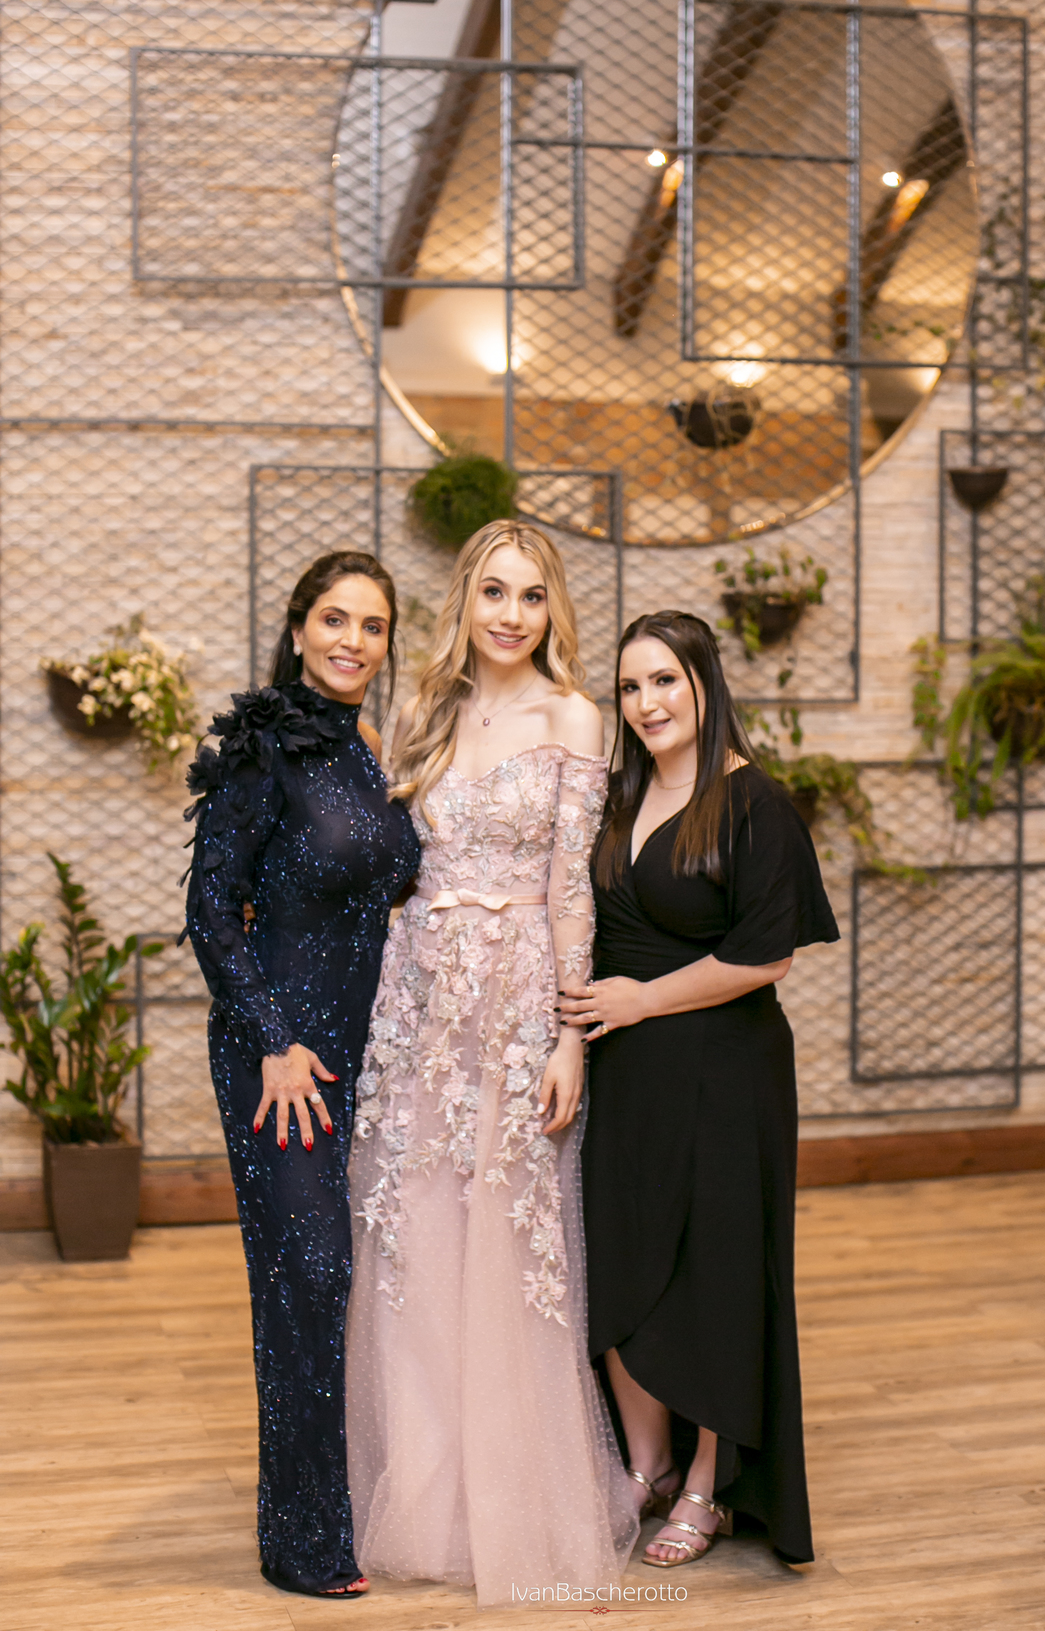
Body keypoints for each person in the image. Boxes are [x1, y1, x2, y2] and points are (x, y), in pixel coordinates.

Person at [346, 520, 638, 1605]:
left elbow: (572, 890)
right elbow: (389, 865)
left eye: (531, 596)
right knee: (412, 1238)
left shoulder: (574, 716)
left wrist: (568, 1036)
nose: (511, 616)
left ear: (553, 609)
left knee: (511, 1247)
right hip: (418, 999)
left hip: (515, 1007)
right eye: (494, 593)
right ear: (464, 601)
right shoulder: (421, 709)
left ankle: (513, 1507)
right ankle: (420, 1497)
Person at [563, 610, 838, 1570]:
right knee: (618, 1263)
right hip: (625, 1075)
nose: (646, 704)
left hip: (726, 1071)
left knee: (716, 1275)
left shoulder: (754, 803)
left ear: (704, 684)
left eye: (664, 681)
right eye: (630, 686)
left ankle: (708, 1487)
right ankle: (647, 1465)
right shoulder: (616, 795)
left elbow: (766, 958)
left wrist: (641, 1000)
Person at [184, 551, 420, 1598]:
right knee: (308, 1275)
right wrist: (274, 1041)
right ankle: (302, 1541)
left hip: (369, 1050)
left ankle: (347, 1505)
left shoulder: (370, 748)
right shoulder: (261, 747)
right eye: (334, 619)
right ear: (296, 629)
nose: (352, 642)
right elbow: (210, 910)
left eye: (373, 626)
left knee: (351, 1280)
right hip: (281, 1059)